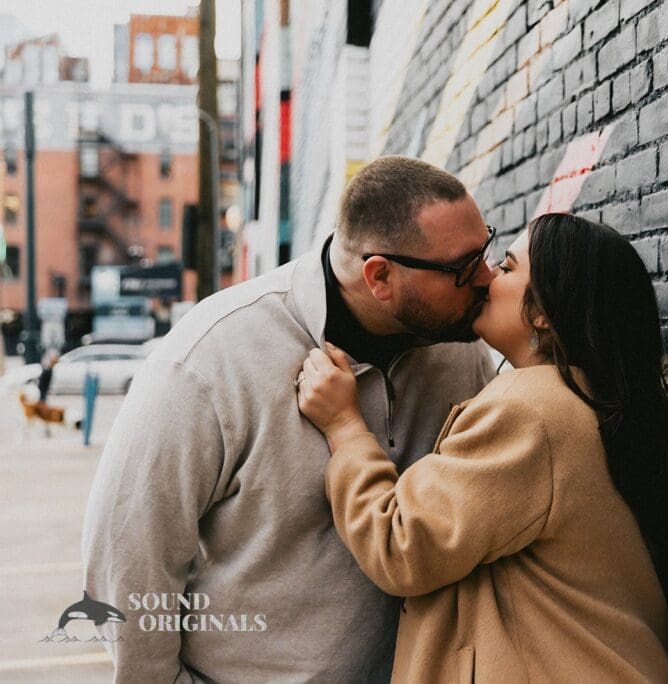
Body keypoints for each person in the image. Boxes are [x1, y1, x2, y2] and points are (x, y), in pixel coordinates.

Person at [81, 156, 497, 682]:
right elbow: (127, 558)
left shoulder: (460, 347)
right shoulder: (209, 358)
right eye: (463, 267)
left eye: (486, 250)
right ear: (380, 276)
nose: (485, 278)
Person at [297, 213, 668, 682]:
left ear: (543, 313)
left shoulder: (531, 412)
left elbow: (400, 545)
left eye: (509, 268)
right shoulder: (586, 403)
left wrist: (345, 427)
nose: (487, 277)